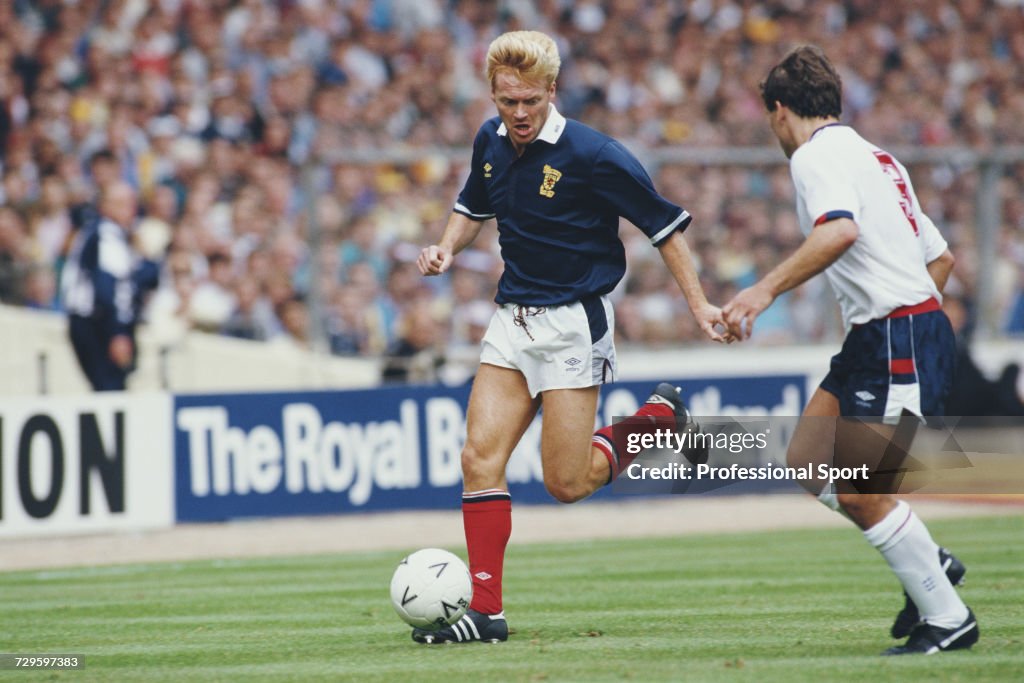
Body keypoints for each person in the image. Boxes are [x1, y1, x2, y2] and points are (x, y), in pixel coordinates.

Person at [413, 30, 727, 645]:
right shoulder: (490, 141)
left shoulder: (595, 154)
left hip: (571, 325)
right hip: (511, 320)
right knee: (479, 459)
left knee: (567, 482)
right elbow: (472, 208)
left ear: (552, 90)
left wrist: (699, 304)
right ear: (494, 96)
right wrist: (446, 247)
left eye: (531, 100)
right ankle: (486, 612)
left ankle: (657, 422)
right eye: (508, 102)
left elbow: (665, 228)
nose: (520, 113)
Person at [722, 46, 977, 656]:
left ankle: (949, 618)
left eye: (771, 119)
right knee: (809, 461)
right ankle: (929, 559)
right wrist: (901, 311)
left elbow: (839, 230)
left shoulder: (815, 156)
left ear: (780, 111)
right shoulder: (878, 155)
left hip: (896, 334)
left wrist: (762, 290)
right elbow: (940, 257)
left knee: (863, 490)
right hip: (887, 332)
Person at [60, 181, 158, 391]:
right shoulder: (107, 234)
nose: (131, 210)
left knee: (109, 387)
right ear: (106, 206)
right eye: (123, 204)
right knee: (110, 389)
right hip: (97, 324)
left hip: (91, 321)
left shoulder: (105, 234)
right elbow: (106, 287)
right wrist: (117, 332)